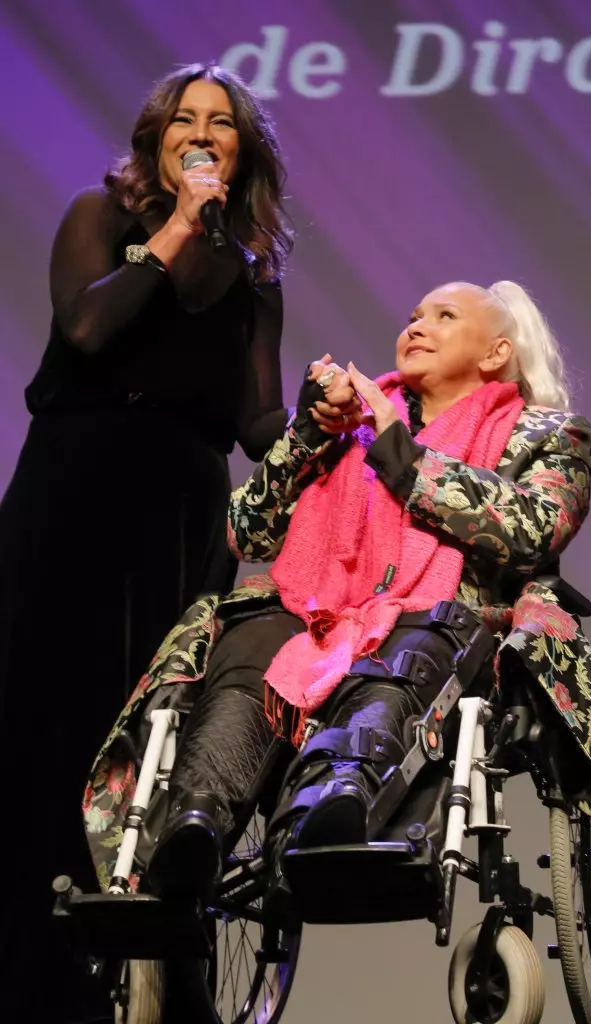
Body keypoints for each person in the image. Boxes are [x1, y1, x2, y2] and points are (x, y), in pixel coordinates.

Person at [85, 279, 591, 911]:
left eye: (444, 315)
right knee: (250, 644)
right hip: (316, 615)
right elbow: (246, 532)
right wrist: (305, 439)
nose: (416, 326)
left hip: (441, 623)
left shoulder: (547, 434)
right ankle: (195, 824)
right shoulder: (346, 431)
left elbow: (530, 529)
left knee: (410, 644)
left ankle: (337, 802)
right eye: (412, 315)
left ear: (495, 354)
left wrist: (399, 451)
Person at [0, 63, 291, 1023]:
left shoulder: (253, 280)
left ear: (242, 150)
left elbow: (255, 422)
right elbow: (85, 329)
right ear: (156, 138)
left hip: (181, 518)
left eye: (222, 123)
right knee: (50, 730)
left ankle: (163, 979)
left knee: (154, 748)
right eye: (184, 120)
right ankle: (34, 985)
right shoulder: (100, 215)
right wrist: (169, 232)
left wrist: (334, 431)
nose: (201, 134)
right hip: (78, 497)